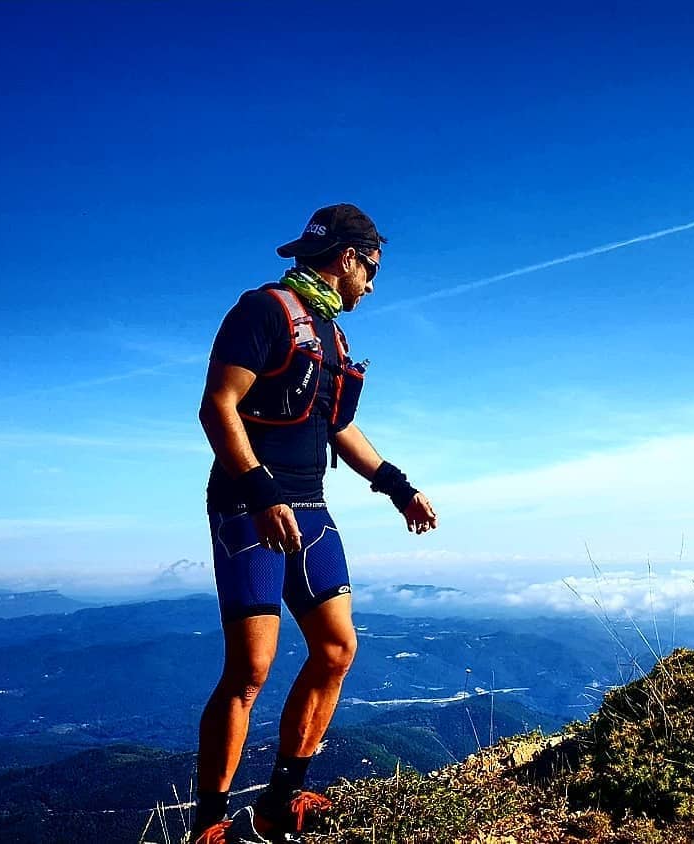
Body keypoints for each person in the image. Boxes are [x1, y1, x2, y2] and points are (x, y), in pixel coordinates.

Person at [190, 204, 438, 843]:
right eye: (372, 270)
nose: (373, 286)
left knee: (336, 649)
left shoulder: (333, 339)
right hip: (250, 507)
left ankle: (278, 802)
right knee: (250, 670)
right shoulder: (264, 311)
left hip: (310, 509)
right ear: (348, 258)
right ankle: (211, 827)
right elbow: (217, 406)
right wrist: (259, 489)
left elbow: (339, 427)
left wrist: (396, 486)